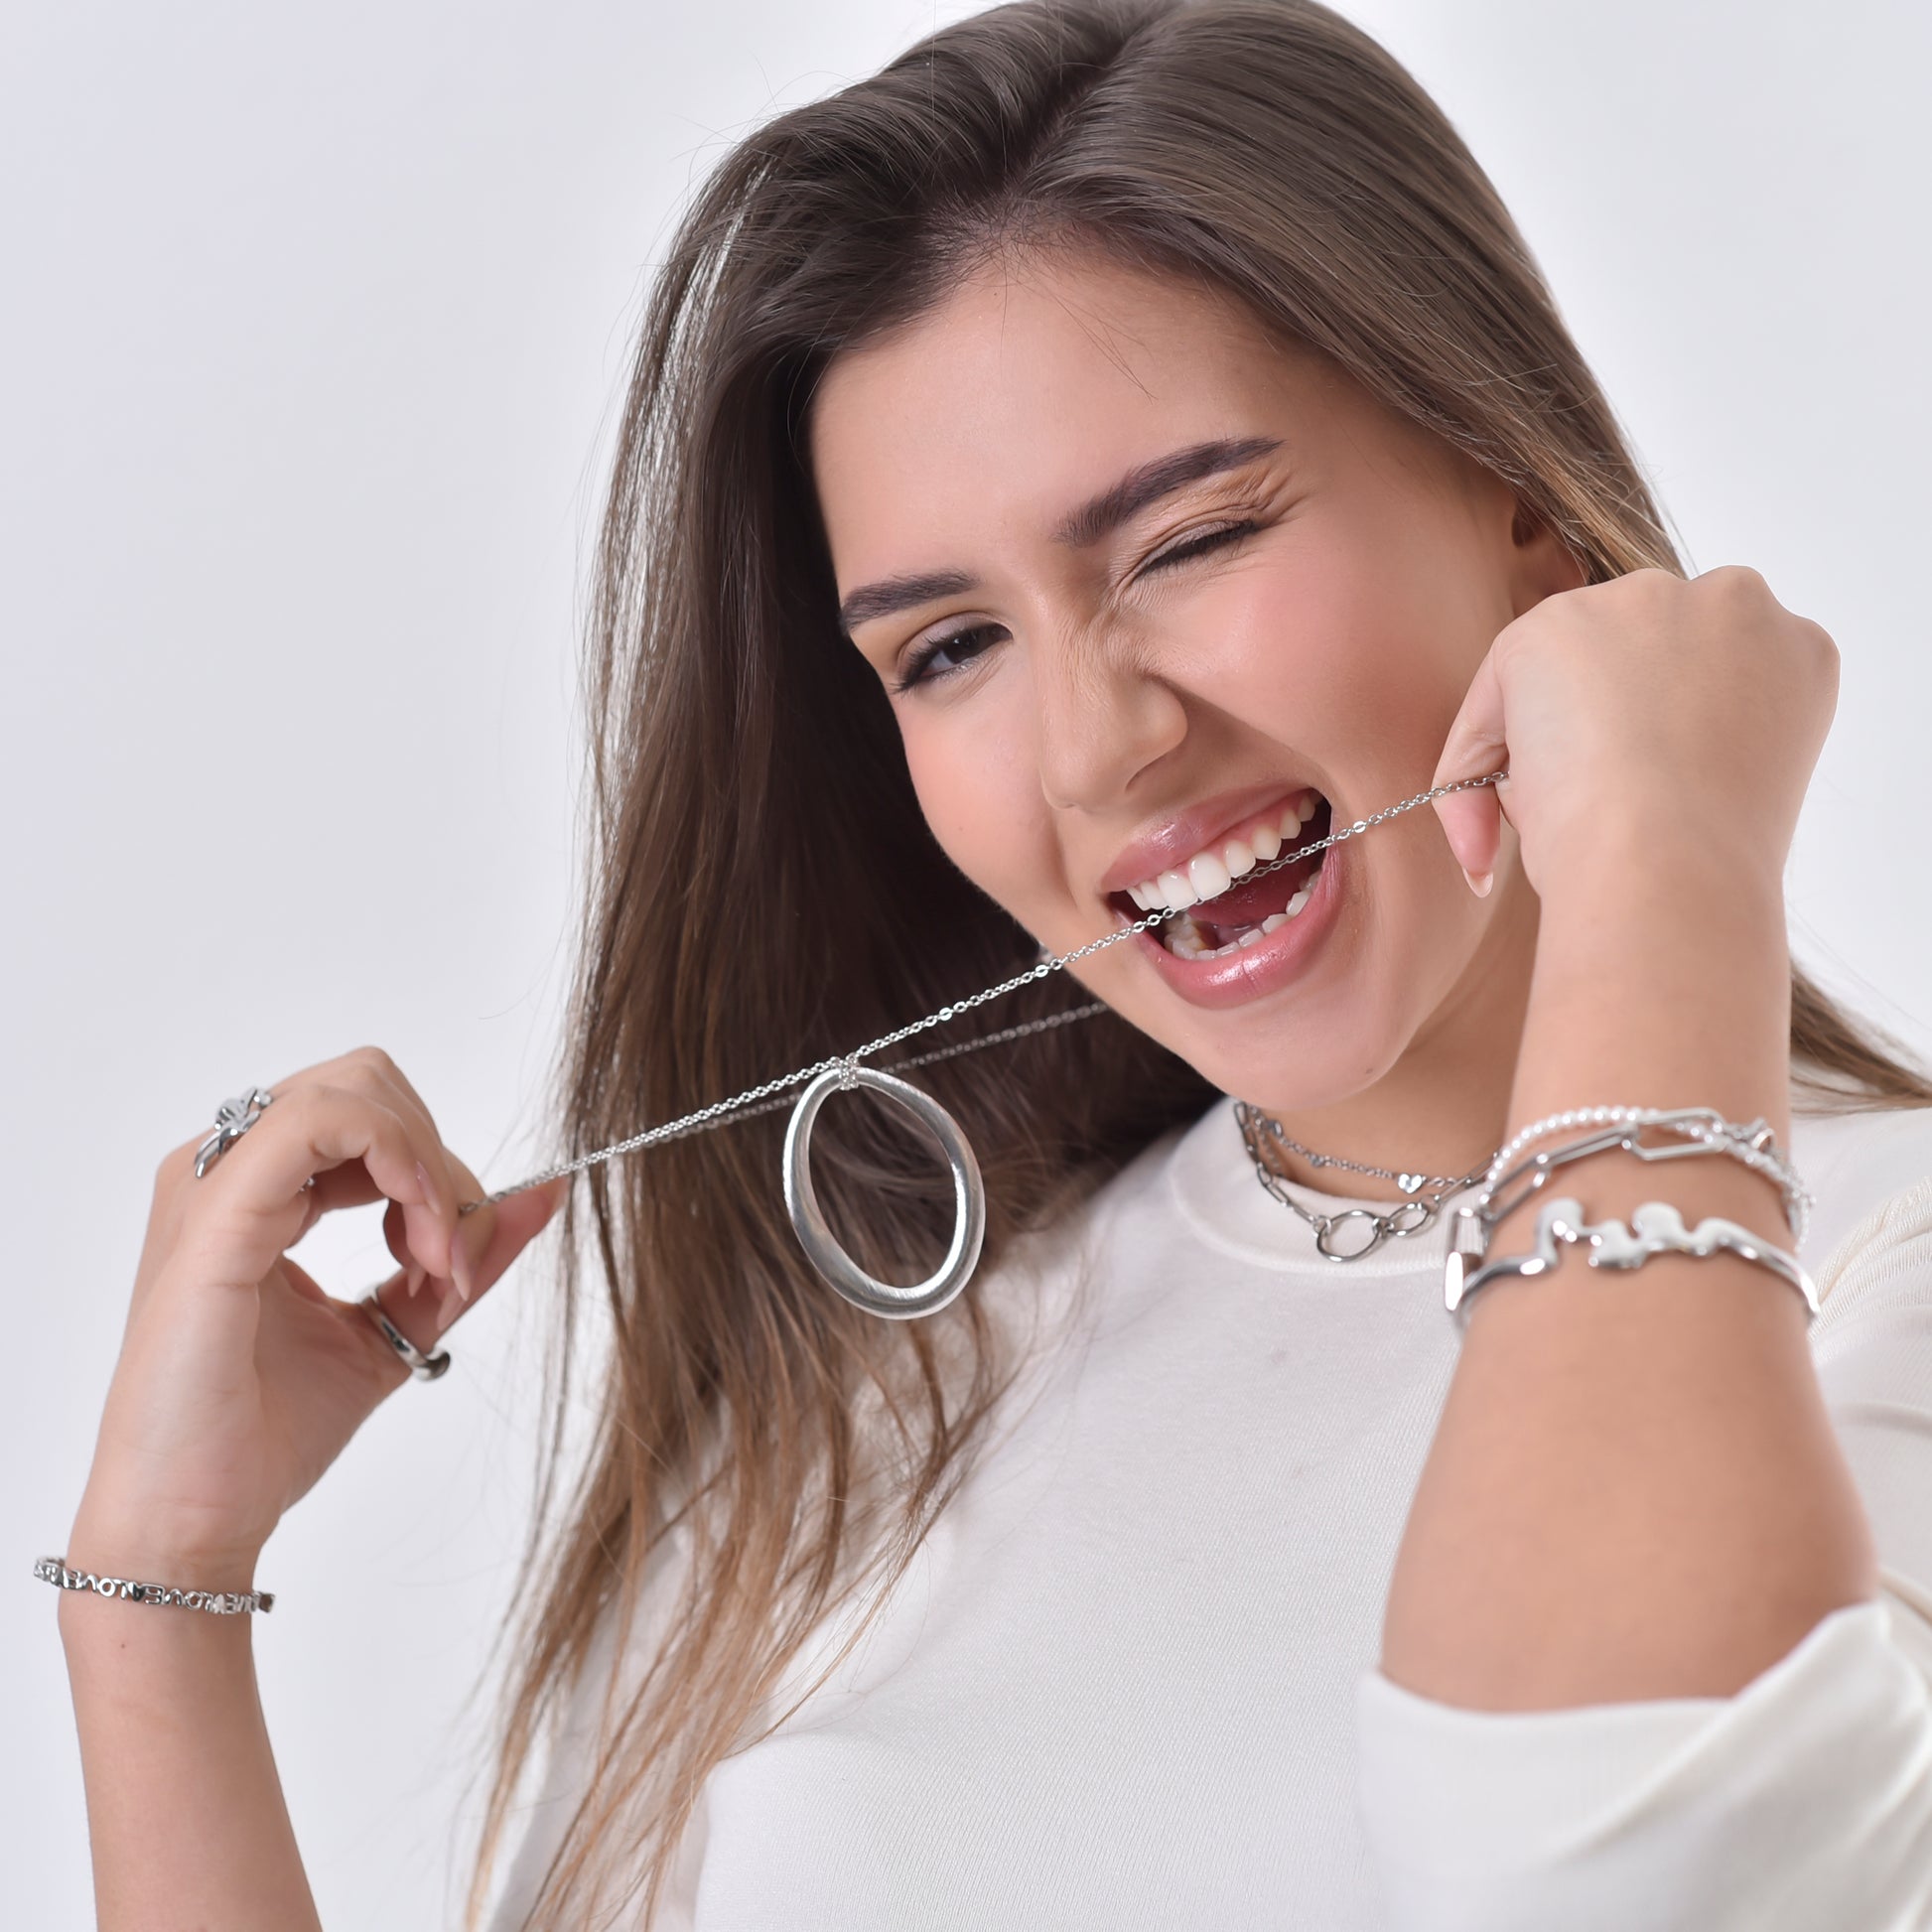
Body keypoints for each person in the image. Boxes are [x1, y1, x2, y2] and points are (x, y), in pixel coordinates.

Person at [48, 1, 1932, 1927]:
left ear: (1516, 497)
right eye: (948, 648)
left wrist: (1669, 869)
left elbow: (1628, 1861)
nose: (1100, 746)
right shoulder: (882, 1402)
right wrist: (157, 1589)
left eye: (1189, 538)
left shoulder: (1889, 1266)